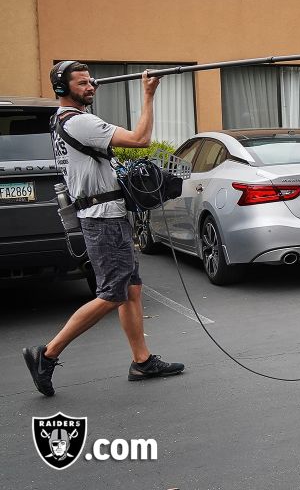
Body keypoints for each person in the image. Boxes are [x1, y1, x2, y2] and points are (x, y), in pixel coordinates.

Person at [22, 62, 184, 397]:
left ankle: (142, 361)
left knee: (131, 288)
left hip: (103, 214)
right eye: (81, 83)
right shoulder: (80, 121)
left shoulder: (60, 120)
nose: (90, 86)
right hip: (103, 219)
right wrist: (149, 96)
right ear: (62, 90)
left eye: (91, 81)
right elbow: (140, 139)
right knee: (112, 293)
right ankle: (47, 354)